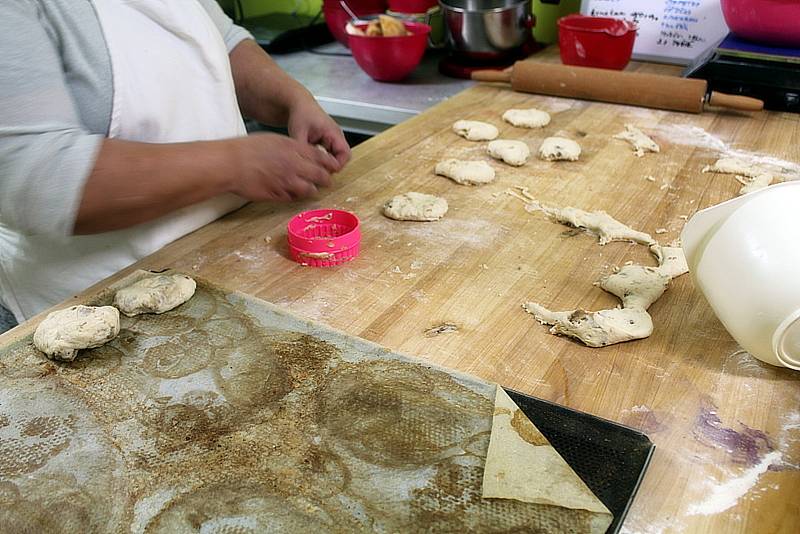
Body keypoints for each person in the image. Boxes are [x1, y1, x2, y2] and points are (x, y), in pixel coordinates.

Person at [0, 0, 351, 334]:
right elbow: (38, 175)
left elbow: (220, 42)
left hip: (221, 255)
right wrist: (234, 163)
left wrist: (292, 98)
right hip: (92, 299)